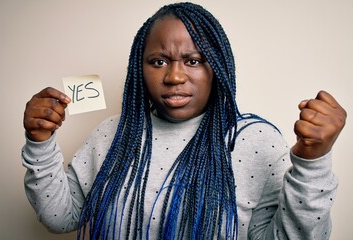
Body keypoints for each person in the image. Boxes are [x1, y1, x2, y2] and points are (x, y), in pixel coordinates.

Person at [21, 2, 346, 240]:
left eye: (193, 60)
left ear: (217, 67)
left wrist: (311, 163)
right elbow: (60, 218)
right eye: (158, 61)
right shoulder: (111, 135)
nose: (175, 76)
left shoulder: (255, 141)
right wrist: (39, 142)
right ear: (140, 68)